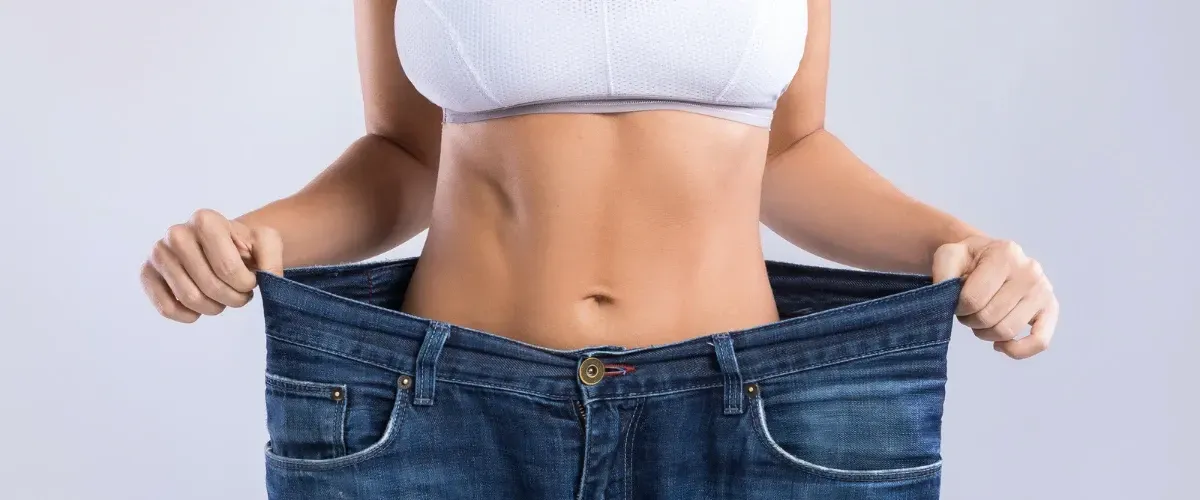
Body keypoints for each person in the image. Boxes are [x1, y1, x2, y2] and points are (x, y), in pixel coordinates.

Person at [139, 1, 1059, 498]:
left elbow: (791, 151)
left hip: (746, 425)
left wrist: (964, 248)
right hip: (446, 413)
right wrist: (256, 241)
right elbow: (405, 154)